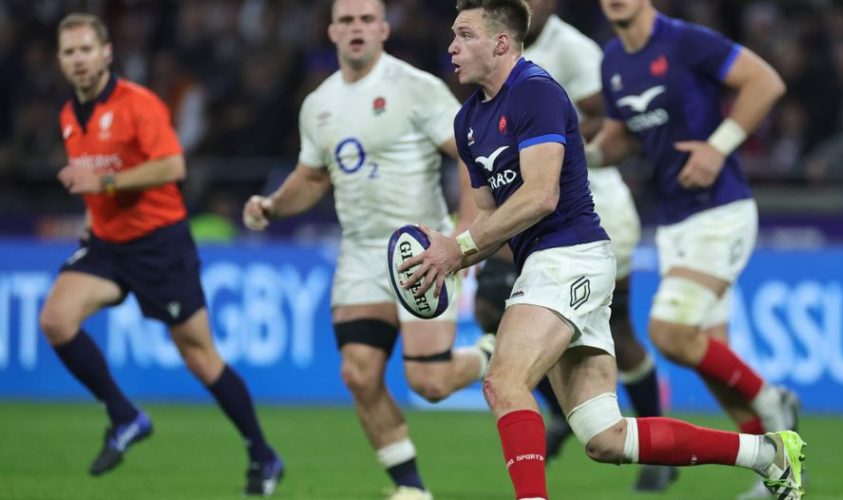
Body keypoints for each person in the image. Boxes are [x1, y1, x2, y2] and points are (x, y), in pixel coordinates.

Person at [402, 1, 806, 499]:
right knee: (605, 438)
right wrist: (448, 257)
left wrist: (458, 248)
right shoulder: (468, 122)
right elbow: (489, 220)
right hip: (547, 263)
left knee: (504, 382)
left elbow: (541, 194)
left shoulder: (537, 92)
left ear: (501, 43)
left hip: (571, 256)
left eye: (464, 35)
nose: (452, 47)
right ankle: (768, 453)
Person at [241, 1, 489, 498]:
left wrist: (466, 229)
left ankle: (491, 351)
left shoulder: (415, 87)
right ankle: (411, 488)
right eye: (346, 21)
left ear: (383, 29)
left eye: (365, 20)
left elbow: (468, 149)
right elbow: (312, 178)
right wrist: (272, 205)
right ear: (333, 31)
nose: (356, 28)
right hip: (359, 254)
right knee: (358, 373)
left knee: (430, 383)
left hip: (421, 248)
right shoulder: (319, 104)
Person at [44, 12, 284, 495]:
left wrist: (106, 182)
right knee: (56, 320)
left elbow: (173, 165)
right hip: (107, 246)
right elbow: (96, 188)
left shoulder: (138, 104)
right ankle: (124, 415)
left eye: (86, 49)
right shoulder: (70, 116)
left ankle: (263, 454)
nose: (79, 60)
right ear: (61, 61)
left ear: (107, 52)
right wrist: (93, 223)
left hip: (160, 245)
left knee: (200, 358)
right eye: (70, 52)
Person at [588, 2, 800, 496]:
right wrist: (578, 156)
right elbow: (619, 138)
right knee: (713, 362)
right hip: (674, 222)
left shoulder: (685, 40)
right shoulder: (613, 60)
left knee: (669, 331)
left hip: (720, 210)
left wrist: (718, 145)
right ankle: (777, 469)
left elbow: (765, 81)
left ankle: (773, 402)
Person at [516, 0, 674, 490]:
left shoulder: (573, 50)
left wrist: (542, 137)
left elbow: (608, 123)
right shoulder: (499, 48)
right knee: (498, 312)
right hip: (542, 217)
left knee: (619, 332)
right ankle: (561, 412)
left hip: (596, 206)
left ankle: (658, 451)